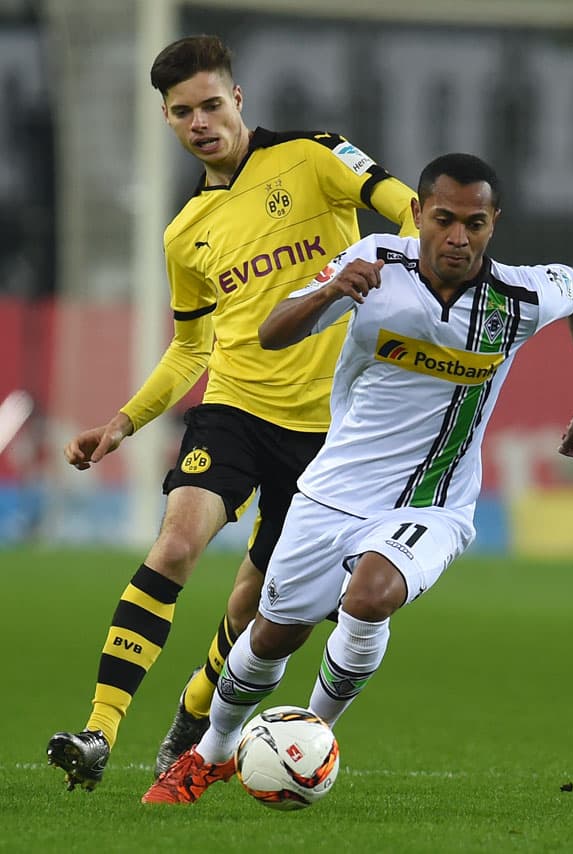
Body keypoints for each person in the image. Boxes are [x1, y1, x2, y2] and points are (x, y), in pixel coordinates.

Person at [140, 151, 573, 805]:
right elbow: (272, 333)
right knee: (273, 634)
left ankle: (310, 744)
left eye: (474, 223)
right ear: (417, 213)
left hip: (434, 502)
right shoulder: (376, 264)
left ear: (493, 223)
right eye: (443, 218)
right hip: (331, 492)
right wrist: (331, 289)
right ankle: (209, 753)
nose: (457, 236)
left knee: (369, 595)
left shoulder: (522, 295)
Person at [46, 34, 418, 792]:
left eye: (211, 104)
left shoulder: (316, 155)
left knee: (256, 603)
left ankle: (191, 717)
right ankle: (99, 732)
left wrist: (396, 267)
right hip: (237, 406)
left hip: (333, 434)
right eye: (183, 112)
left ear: (238, 100)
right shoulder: (186, 233)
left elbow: (409, 208)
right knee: (177, 542)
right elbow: (191, 349)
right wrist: (121, 423)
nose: (200, 121)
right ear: (168, 120)